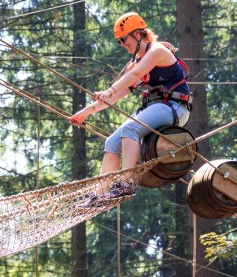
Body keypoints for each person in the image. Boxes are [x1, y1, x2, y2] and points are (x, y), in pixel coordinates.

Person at [70, 12, 192, 204]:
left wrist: (108, 90)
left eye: (124, 39)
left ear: (137, 34)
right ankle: (99, 195)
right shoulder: (135, 63)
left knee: (130, 129)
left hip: (175, 107)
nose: (122, 45)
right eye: (119, 41)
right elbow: (117, 94)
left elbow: (134, 75)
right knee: (111, 143)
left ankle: (126, 184)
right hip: (155, 107)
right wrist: (86, 112)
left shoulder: (157, 51)